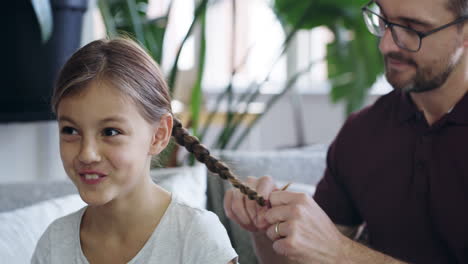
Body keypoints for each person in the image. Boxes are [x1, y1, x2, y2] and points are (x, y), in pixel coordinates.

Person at [224, 0, 468, 263]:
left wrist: (342, 253)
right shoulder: (362, 133)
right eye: (384, 22)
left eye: (413, 29)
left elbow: (334, 252)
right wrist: (265, 223)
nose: (386, 45)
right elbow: (309, 257)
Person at [31, 37, 240, 264]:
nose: (87, 154)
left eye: (110, 132)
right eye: (71, 130)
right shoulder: (54, 244)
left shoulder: (196, 236)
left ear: (159, 135)